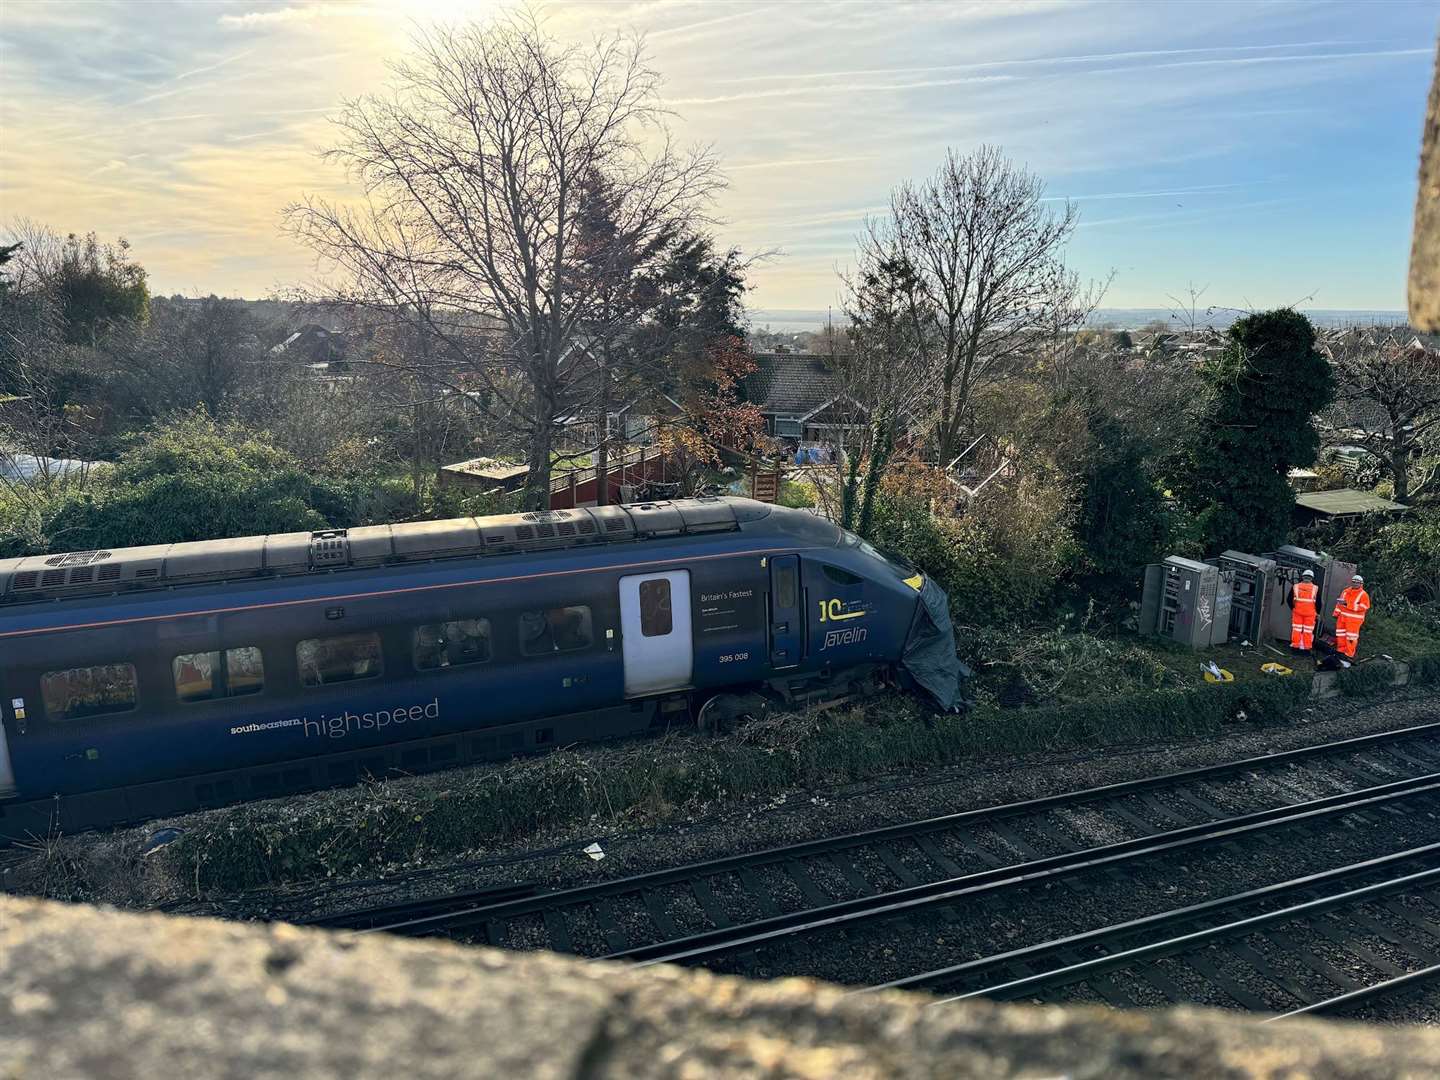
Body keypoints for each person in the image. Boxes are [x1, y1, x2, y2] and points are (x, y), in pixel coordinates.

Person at [1333, 574, 1372, 659]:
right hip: (1342, 618)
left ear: (1361, 584)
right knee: (1341, 636)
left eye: (1357, 582)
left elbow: (1365, 607)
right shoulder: (1345, 591)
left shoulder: (1363, 594)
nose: (1355, 584)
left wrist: (1348, 604)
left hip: (1354, 621)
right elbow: (1339, 604)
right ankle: (1340, 653)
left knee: (1351, 638)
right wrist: (1336, 613)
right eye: (1353, 582)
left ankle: (1348, 655)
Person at [1290, 569, 1319, 653]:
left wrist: (1294, 608)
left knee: (1296, 630)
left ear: (1302, 577)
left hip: (1297, 613)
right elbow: (1319, 602)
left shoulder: (1296, 586)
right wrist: (1317, 612)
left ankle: (1295, 648)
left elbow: (1289, 599)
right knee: (1308, 631)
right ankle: (1306, 648)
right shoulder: (1315, 588)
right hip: (1310, 614)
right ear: (1312, 578)